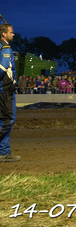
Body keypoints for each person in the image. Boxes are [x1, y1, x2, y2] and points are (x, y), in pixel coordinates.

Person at [0, 23, 20, 162]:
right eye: (11, 32)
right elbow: (2, 68)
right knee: (8, 119)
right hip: (6, 90)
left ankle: (4, 152)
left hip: (4, 90)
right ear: (4, 34)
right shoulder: (6, 49)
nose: (13, 34)